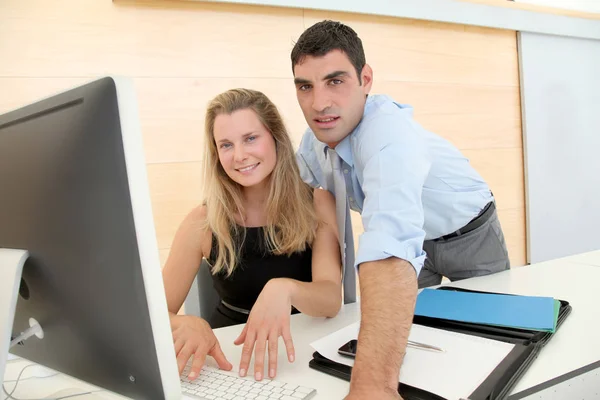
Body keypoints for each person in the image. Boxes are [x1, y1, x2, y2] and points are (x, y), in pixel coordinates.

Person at [292, 20, 510, 399]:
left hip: (469, 232)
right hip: (416, 244)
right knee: (412, 348)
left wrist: (371, 387)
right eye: (305, 86)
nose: (319, 103)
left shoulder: (387, 132)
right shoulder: (314, 143)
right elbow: (285, 194)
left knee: (494, 344)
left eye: (335, 81)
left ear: (366, 79)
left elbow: (389, 242)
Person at [161, 88, 342, 382]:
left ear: (275, 138)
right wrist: (185, 323)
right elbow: (152, 316)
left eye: (250, 138)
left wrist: (286, 289)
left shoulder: (318, 203)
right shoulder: (202, 221)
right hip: (227, 360)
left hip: (303, 353)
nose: (240, 156)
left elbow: (331, 298)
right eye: (226, 145)